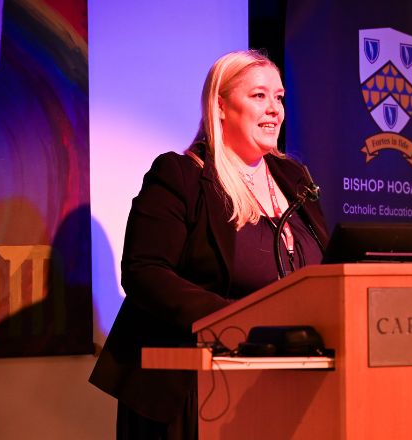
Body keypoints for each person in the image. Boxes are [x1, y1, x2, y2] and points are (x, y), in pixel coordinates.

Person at [89, 50, 329, 439]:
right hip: (188, 388)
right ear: (220, 106)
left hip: (281, 381)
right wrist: (236, 319)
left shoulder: (295, 178)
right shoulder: (181, 176)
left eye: (279, 97)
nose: (274, 109)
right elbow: (144, 271)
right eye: (259, 96)